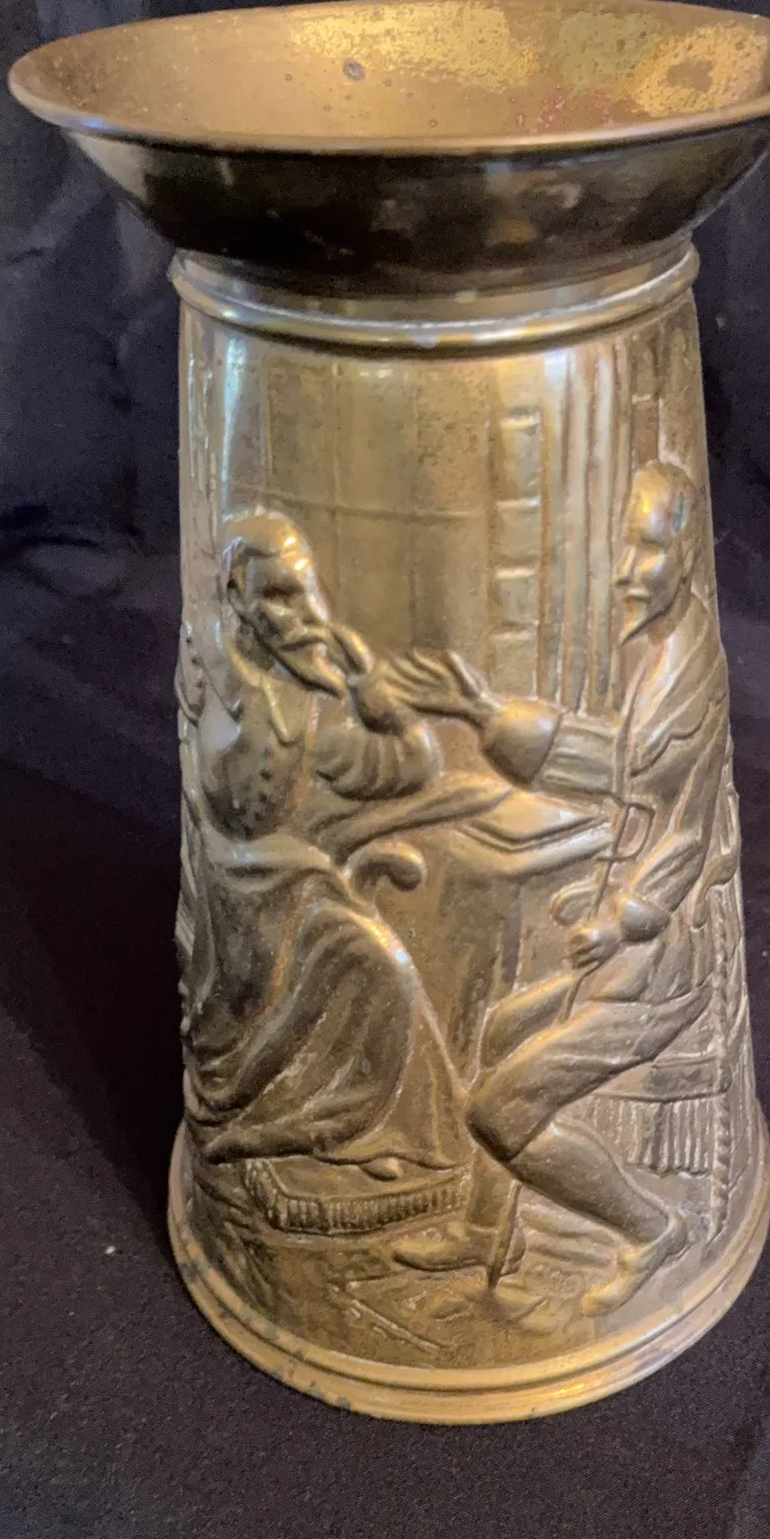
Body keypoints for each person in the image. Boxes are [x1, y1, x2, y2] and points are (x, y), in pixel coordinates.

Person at [387, 461, 729, 1315]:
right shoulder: (667, 653)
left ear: (688, 551)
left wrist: (621, 920)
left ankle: (652, 1229)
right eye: (626, 548)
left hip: (658, 968)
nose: (627, 572)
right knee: (503, 1029)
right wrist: (487, 717)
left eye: (648, 549)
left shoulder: (688, 672)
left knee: (498, 1114)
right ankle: (485, 1231)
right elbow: (624, 768)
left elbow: (686, 829)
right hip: (624, 955)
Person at [177, 511, 469, 1200]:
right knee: (346, 961)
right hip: (231, 890)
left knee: (378, 964)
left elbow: (404, 765)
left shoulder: (313, 705)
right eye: (274, 596)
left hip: (290, 885)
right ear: (237, 597)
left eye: (299, 593)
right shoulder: (211, 666)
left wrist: (373, 693)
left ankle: (355, 1128)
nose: (298, 615)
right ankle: (270, 1123)